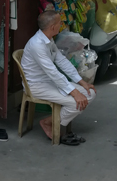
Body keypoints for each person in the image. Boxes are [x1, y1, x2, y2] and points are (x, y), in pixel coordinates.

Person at [22, 11, 96, 145]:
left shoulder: (48, 39)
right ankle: (48, 122)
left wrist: (81, 82)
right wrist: (74, 92)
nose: (61, 25)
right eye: (59, 23)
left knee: (89, 94)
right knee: (75, 102)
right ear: (52, 27)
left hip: (49, 81)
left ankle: (50, 120)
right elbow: (53, 72)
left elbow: (61, 61)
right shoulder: (37, 45)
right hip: (36, 85)